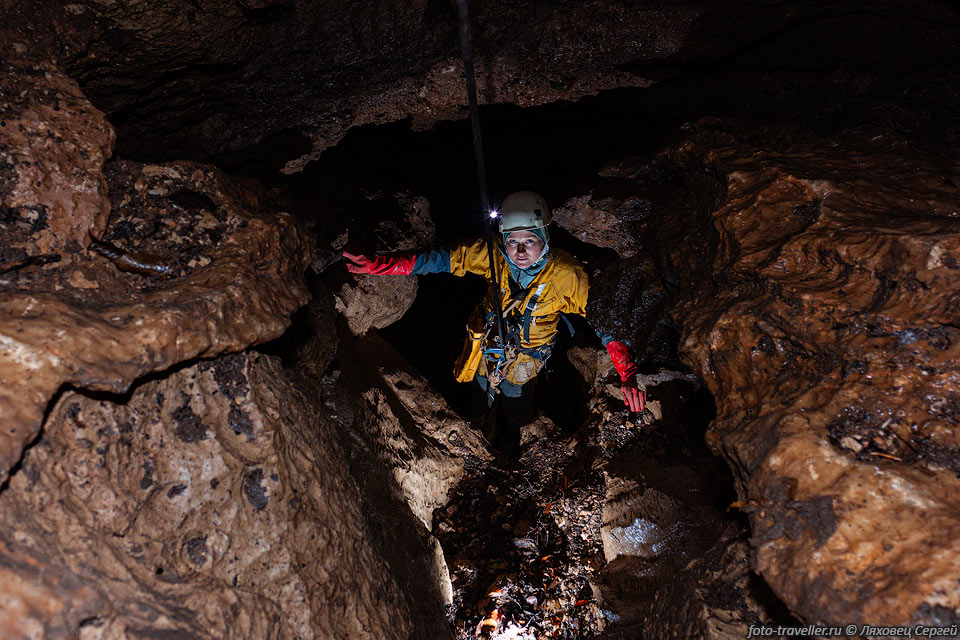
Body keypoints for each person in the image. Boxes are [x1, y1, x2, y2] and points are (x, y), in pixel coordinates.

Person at [343, 191, 644, 456]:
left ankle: (515, 442)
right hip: (487, 347)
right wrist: (379, 266)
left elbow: (603, 320)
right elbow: (441, 259)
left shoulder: (567, 275)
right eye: (513, 241)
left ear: (545, 238)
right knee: (481, 398)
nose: (520, 250)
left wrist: (627, 372)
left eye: (529, 240)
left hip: (525, 358)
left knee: (516, 403)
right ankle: (483, 445)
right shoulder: (493, 255)